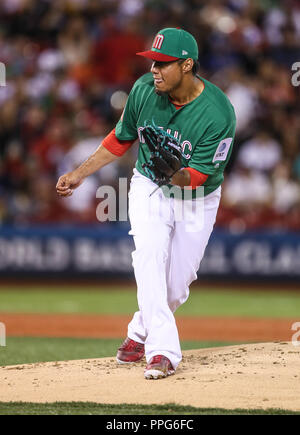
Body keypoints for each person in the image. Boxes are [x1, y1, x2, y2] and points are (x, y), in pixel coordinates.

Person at [56, 28, 236, 380]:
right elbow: (120, 139)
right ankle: (163, 352)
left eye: (163, 64)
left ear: (186, 65)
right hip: (149, 186)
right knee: (149, 257)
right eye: (152, 62)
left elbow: (199, 176)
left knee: (178, 283)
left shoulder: (219, 113)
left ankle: (139, 332)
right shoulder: (143, 89)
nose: (154, 69)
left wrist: (178, 176)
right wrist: (80, 172)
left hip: (196, 198)